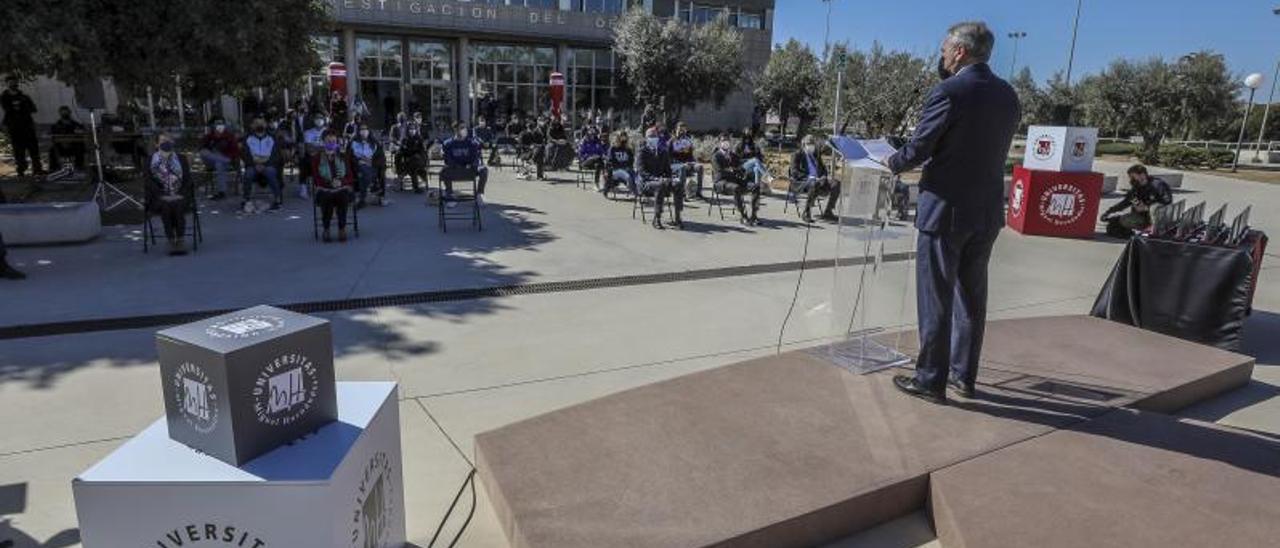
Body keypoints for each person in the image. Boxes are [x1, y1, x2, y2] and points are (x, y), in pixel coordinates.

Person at [887, 21, 1021, 404]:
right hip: (987, 213)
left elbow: (919, 149)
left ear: (960, 51)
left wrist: (889, 162)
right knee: (971, 299)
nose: (942, 55)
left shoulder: (950, 91)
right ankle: (964, 377)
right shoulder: (1008, 95)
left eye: (945, 49)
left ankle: (930, 379)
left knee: (936, 297)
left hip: (945, 211)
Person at [146, 133, 194, 255]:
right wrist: (163, 195)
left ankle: (181, 240)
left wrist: (180, 194)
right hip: (159, 197)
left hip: (180, 195)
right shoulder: (150, 160)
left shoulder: (181, 158)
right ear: (157, 144)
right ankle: (171, 240)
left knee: (177, 204)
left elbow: (188, 180)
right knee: (166, 205)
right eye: (163, 141)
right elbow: (149, 182)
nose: (166, 143)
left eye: (169, 140)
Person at [1101, 164, 1173, 238]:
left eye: (1133, 176)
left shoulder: (1157, 184)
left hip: (1156, 218)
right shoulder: (1136, 188)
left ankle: (1153, 230)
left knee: (1154, 207)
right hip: (1141, 217)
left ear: (1142, 175)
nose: (1131, 179)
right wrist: (1109, 211)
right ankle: (1140, 230)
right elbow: (1126, 202)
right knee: (1120, 221)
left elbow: (1167, 200)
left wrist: (1147, 207)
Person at [312, 130, 355, 242]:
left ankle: (342, 228)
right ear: (323, 142)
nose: (331, 143)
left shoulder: (343, 156)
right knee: (327, 197)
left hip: (342, 187)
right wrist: (329, 183)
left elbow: (350, 176)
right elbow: (316, 178)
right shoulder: (317, 158)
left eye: (333, 141)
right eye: (328, 141)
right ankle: (326, 229)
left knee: (343, 196)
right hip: (324, 188)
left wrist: (341, 182)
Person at [637, 127, 683, 230]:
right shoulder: (642, 152)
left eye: (655, 136)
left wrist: (669, 178)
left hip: (661, 181)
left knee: (678, 185)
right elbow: (642, 172)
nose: (654, 138)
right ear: (646, 138)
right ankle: (656, 218)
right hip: (646, 183)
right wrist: (656, 179)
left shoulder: (663, 152)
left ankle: (678, 217)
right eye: (651, 136)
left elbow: (668, 170)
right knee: (660, 185)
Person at [789, 135, 840, 223]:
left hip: (818, 181)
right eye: (809, 144)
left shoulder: (816, 155)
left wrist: (824, 176)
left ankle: (828, 211)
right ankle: (806, 212)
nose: (811, 146)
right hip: (803, 182)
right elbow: (794, 172)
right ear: (803, 144)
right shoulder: (797, 155)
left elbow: (823, 169)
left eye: (812, 144)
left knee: (836, 183)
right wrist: (810, 177)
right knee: (813, 183)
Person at [712, 135, 761, 224]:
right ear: (719, 143)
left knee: (755, 187)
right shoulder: (716, 156)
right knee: (736, 188)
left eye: (727, 140)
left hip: (735, 179)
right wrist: (734, 170)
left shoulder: (733, 155)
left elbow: (741, 168)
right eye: (723, 141)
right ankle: (743, 216)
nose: (726, 142)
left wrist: (741, 172)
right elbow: (720, 171)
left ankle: (754, 215)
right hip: (721, 182)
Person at [439, 122, 489, 208]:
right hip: (455, 171)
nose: (464, 130)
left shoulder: (472, 143)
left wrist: (471, 165)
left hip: (469, 171)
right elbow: (447, 160)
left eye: (465, 128)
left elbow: (475, 159)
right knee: (443, 171)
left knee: (484, 170)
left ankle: (479, 195)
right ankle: (450, 195)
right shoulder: (448, 144)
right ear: (455, 130)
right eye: (462, 128)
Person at [1, 76, 43, 177]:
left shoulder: (24, 97)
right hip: (14, 127)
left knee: (33, 148)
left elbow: (33, 108)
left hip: (27, 126)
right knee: (18, 150)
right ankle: (21, 169)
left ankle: (37, 169)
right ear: (7, 84)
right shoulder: (4, 97)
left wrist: (21, 107)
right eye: (10, 82)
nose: (13, 84)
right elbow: (8, 109)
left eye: (14, 82)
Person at [240, 118, 283, 211]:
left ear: (265, 125)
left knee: (271, 173)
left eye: (262, 123)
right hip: (253, 165)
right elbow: (245, 154)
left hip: (269, 165)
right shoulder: (248, 138)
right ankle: (246, 199)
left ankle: (278, 199)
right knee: (248, 174)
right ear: (252, 126)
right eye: (256, 123)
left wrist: (265, 165)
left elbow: (276, 155)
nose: (259, 125)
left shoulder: (272, 138)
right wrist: (255, 165)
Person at [198, 118, 240, 201]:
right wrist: (212, 137)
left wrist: (222, 137)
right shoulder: (210, 135)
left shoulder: (229, 136)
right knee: (203, 152)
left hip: (227, 160)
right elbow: (202, 148)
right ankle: (220, 161)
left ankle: (222, 192)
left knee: (219, 165)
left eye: (221, 124)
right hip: (213, 160)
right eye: (216, 124)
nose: (218, 126)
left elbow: (235, 152)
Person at [345, 123, 384, 208]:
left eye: (365, 129)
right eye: (361, 130)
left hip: (372, 166)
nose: (364, 131)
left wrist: (371, 162)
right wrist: (358, 161)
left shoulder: (374, 143)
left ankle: (362, 199)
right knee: (363, 171)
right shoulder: (353, 142)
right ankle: (370, 191)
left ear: (369, 131)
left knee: (365, 174)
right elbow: (348, 157)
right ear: (358, 131)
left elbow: (381, 157)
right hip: (358, 166)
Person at [669, 122, 705, 200]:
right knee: (683, 168)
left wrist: (691, 162)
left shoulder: (688, 140)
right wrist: (682, 163)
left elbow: (690, 156)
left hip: (688, 163)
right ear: (676, 130)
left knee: (700, 167)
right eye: (680, 130)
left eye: (684, 130)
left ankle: (699, 192)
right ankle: (682, 194)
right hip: (675, 165)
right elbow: (670, 157)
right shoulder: (672, 141)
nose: (682, 132)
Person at [48, 106, 87, 172]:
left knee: (80, 146)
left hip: (74, 146)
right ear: (60, 113)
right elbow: (53, 137)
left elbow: (82, 134)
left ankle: (79, 166)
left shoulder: (76, 125)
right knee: (52, 150)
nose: (65, 114)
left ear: (69, 112)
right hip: (61, 147)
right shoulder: (56, 126)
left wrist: (77, 134)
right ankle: (53, 168)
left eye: (66, 112)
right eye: (63, 112)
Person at [601, 131, 636, 197]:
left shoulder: (628, 149)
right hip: (615, 169)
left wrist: (628, 166)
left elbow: (631, 161)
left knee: (635, 176)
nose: (623, 139)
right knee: (628, 177)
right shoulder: (613, 149)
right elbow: (610, 161)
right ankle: (635, 193)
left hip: (626, 169)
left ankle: (638, 192)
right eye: (622, 137)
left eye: (625, 137)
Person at [400, 122, 430, 193]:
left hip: (419, 160)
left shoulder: (419, 138)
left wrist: (417, 153)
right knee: (413, 167)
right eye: (410, 129)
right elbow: (403, 151)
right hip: (409, 161)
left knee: (416, 165)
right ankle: (416, 187)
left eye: (413, 129)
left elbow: (422, 150)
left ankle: (416, 187)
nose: (412, 130)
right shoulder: (405, 139)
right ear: (407, 130)